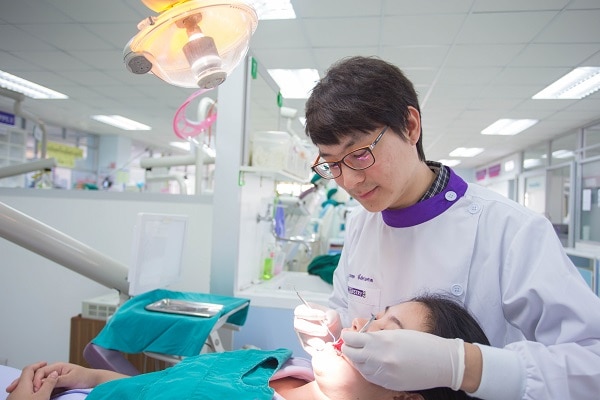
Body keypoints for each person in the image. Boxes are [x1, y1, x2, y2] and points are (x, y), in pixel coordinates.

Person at [293, 55, 600, 400]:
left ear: (410, 126)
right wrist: (333, 327)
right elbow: (350, 313)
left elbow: (592, 361)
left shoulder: (510, 230)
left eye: (360, 155)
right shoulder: (360, 225)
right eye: (332, 164)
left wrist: (464, 365)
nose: (348, 180)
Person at [3, 295, 487, 400]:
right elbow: (160, 387)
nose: (360, 323)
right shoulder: (280, 364)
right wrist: (91, 378)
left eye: (385, 329)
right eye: (376, 313)